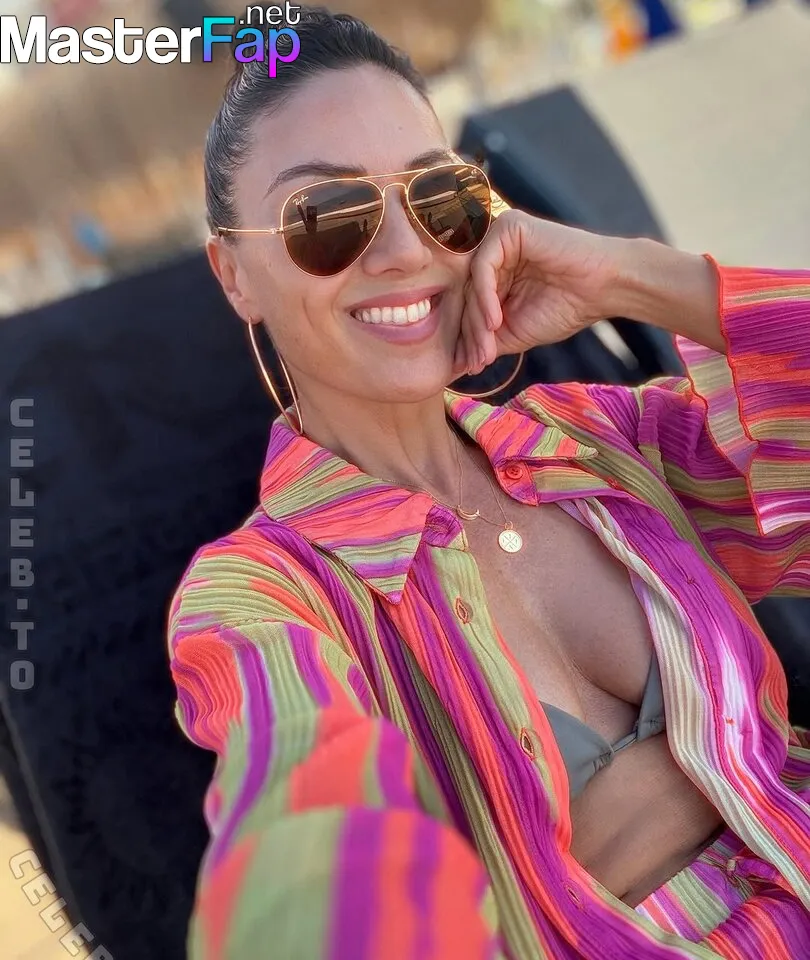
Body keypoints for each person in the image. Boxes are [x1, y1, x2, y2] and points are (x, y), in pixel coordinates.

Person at [165, 8, 810, 958]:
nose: (405, 252)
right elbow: (308, 822)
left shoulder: (592, 442)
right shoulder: (262, 595)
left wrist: (630, 277)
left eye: (440, 196)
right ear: (236, 276)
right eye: (326, 217)